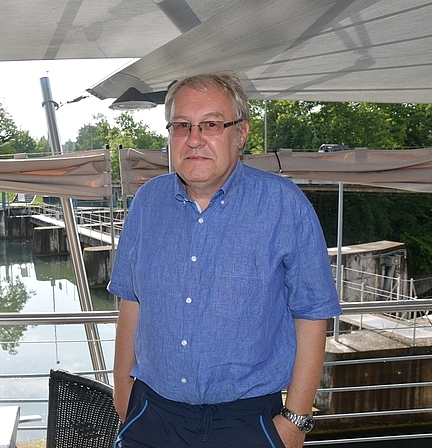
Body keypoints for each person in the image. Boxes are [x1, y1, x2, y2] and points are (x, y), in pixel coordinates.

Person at [107, 71, 342, 448]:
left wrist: (295, 420)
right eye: (182, 125)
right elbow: (130, 301)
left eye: (211, 124)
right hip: (152, 416)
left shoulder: (285, 205)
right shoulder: (147, 203)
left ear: (241, 132)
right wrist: (123, 395)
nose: (194, 139)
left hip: (248, 422)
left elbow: (313, 313)